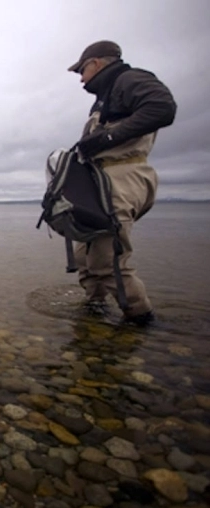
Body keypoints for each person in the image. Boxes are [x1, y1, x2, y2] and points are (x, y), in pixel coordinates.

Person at [68, 40, 176, 325]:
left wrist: (107, 138)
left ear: (98, 63)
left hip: (122, 178)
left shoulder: (129, 79)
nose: (80, 77)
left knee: (107, 259)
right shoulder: (104, 97)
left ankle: (141, 320)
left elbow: (163, 108)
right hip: (99, 184)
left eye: (82, 69)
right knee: (85, 254)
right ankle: (93, 310)